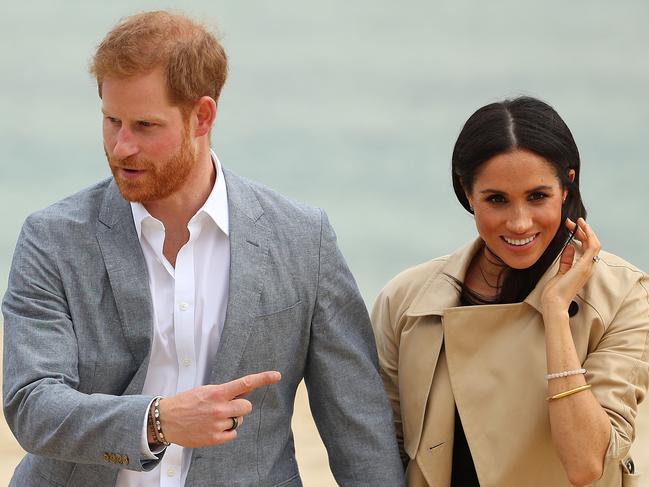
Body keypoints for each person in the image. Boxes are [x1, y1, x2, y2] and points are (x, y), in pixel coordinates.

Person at [2, 11, 405, 487]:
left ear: (203, 116)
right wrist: (158, 422)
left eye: (145, 126)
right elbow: (32, 404)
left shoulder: (302, 239)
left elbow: (357, 425)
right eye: (112, 121)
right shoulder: (53, 238)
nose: (121, 146)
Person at [372, 96, 649, 487]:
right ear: (467, 193)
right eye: (496, 199)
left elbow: (586, 464)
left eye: (538, 196)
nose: (519, 223)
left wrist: (553, 311)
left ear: (566, 187)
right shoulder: (406, 301)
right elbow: (381, 454)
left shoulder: (624, 295)